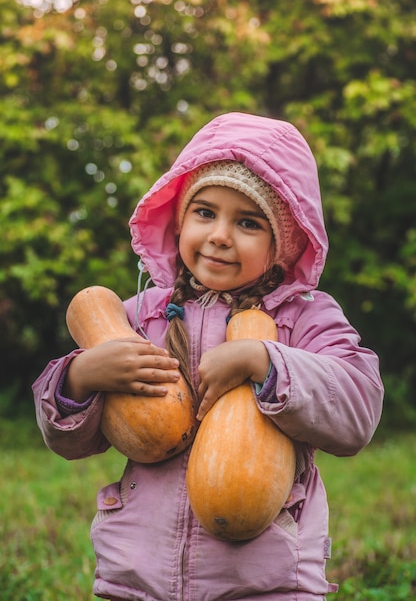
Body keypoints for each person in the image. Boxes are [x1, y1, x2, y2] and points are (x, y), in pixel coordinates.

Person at [33, 112, 384, 601]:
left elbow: (357, 410)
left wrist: (266, 361)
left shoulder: (305, 319)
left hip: (264, 580)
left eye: (247, 222)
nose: (220, 234)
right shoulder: (138, 319)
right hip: (137, 575)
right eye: (204, 213)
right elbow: (69, 441)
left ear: (284, 243)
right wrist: (80, 378)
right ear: (179, 221)